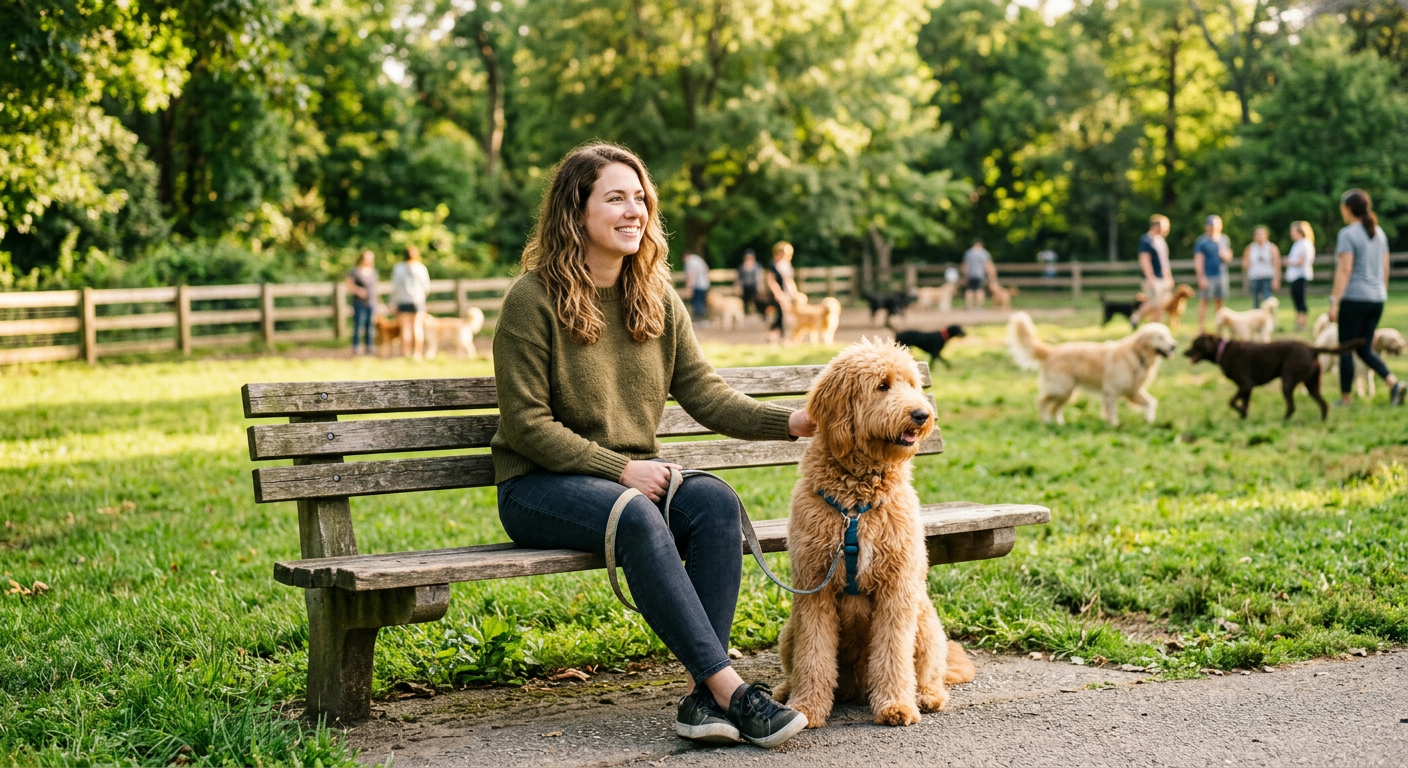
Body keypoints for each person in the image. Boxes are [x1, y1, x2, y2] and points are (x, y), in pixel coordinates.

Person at [490, 143, 812, 747]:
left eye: (640, 198)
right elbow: (528, 425)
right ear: (574, 212)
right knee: (634, 512)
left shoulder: (657, 298)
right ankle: (733, 691)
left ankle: (700, 700)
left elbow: (707, 395)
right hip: (537, 487)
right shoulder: (531, 301)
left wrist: (792, 421)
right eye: (615, 197)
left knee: (714, 502)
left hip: (622, 480)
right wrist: (621, 469)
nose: (634, 210)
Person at [1329, 189, 1405, 406]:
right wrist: (1380, 291)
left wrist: (1334, 301)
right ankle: (1394, 384)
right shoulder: (1379, 233)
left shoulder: (1347, 234)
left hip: (1355, 299)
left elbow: (1345, 270)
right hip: (1377, 298)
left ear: (1348, 208)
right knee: (1363, 348)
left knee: (1345, 348)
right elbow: (1385, 267)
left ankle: (1345, 398)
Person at [390, 244, 431, 360]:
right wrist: (422, 298)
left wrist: (393, 302)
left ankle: (406, 352)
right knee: (417, 327)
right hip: (418, 300)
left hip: (403, 301)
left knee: (406, 328)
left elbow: (395, 286)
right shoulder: (421, 268)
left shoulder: (398, 268)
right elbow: (426, 286)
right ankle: (417, 354)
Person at [1193, 215, 1233, 332]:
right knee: (1204, 301)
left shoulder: (1224, 239)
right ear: (1207, 227)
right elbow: (1198, 260)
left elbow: (1229, 255)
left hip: (1221, 274)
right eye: (1210, 225)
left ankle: (1219, 327)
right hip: (1208, 276)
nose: (1213, 227)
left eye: (1215, 225)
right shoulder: (1202, 241)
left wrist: (1226, 256)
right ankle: (1202, 328)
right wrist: (1201, 277)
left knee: (1220, 302)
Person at [763, 241, 798, 343]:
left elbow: (789, 280)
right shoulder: (773, 264)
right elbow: (771, 281)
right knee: (781, 313)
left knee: (787, 315)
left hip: (787, 293)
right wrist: (778, 294)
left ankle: (774, 333)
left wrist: (794, 292)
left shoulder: (787, 265)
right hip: (775, 295)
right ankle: (783, 337)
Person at [346, 250, 379, 355]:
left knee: (370, 325)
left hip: (371, 302)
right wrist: (359, 291)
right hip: (359, 303)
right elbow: (349, 286)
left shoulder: (374, 272)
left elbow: (375, 288)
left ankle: (369, 347)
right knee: (358, 325)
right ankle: (356, 347)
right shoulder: (354, 272)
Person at [1285, 221, 1315, 332]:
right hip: (1295, 276)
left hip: (1300, 275)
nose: (1291, 233)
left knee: (1300, 299)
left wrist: (1289, 262)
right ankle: (1299, 322)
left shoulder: (1304, 243)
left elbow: (1301, 261)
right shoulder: (1298, 243)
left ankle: (1303, 323)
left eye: (1293, 231)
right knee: (1296, 299)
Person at [1242, 225, 1281, 309]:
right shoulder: (1250, 248)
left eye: (1261, 234)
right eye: (1257, 234)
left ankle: (1270, 319)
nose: (1259, 236)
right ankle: (1256, 319)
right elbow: (1245, 262)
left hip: (1267, 277)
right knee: (1256, 299)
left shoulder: (1271, 247)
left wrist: (1276, 279)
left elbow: (1276, 264)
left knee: (1268, 299)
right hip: (1255, 277)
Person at [1136, 215, 1172, 302]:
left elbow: (1164, 262)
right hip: (1153, 278)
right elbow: (1144, 260)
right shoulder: (1147, 240)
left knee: (1162, 303)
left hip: (1162, 278)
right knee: (1153, 303)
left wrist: (1168, 277)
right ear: (1156, 226)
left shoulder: (1160, 241)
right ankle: (1135, 316)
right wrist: (1150, 278)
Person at [962, 238, 997, 308]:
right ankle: (979, 306)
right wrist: (991, 275)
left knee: (969, 290)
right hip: (980, 275)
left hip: (970, 275)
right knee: (980, 290)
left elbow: (965, 265)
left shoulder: (969, 253)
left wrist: (964, 275)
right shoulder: (984, 253)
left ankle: (969, 306)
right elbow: (987, 265)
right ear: (981, 244)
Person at [683, 252, 711, 323]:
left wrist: (689, 286)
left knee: (697, 303)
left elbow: (691, 274)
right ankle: (704, 319)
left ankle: (698, 319)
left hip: (697, 285)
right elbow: (706, 269)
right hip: (705, 284)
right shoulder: (698, 259)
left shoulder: (690, 262)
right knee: (703, 302)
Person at [736, 250, 761, 315]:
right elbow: (740, 278)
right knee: (745, 301)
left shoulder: (756, 266)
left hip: (753, 286)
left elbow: (758, 277)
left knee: (754, 300)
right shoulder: (741, 267)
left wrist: (760, 286)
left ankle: (754, 313)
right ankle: (746, 313)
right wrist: (738, 286)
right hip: (745, 286)